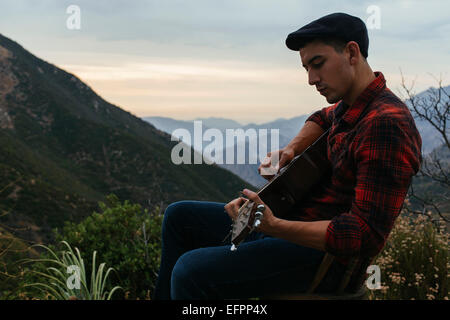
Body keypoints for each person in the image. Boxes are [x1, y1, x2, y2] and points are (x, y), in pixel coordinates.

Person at [152, 12, 422, 300]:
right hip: (291, 226)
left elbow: (363, 234)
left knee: (190, 271)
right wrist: (291, 150)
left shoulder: (386, 124)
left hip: (323, 259)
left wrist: (273, 226)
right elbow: (322, 117)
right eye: (306, 68)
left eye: (318, 64)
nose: (311, 79)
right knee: (179, 217)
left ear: (351, 52)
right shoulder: (352, 103)